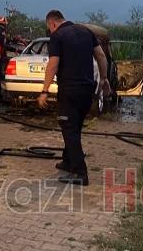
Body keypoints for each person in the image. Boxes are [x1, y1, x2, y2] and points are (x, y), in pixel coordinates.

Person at [37, 10, 110, 185]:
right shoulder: (86, 31)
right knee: (74, 126)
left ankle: (80, 173)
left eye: (49, 27)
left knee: (69, 128)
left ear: (52, 23)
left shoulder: (58, 36)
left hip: (69, 90)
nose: (50, 30)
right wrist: (104, 78)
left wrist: (45, 91)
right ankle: (68, 161)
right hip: (87, 89)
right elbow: (101, 56)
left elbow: (53, 65)